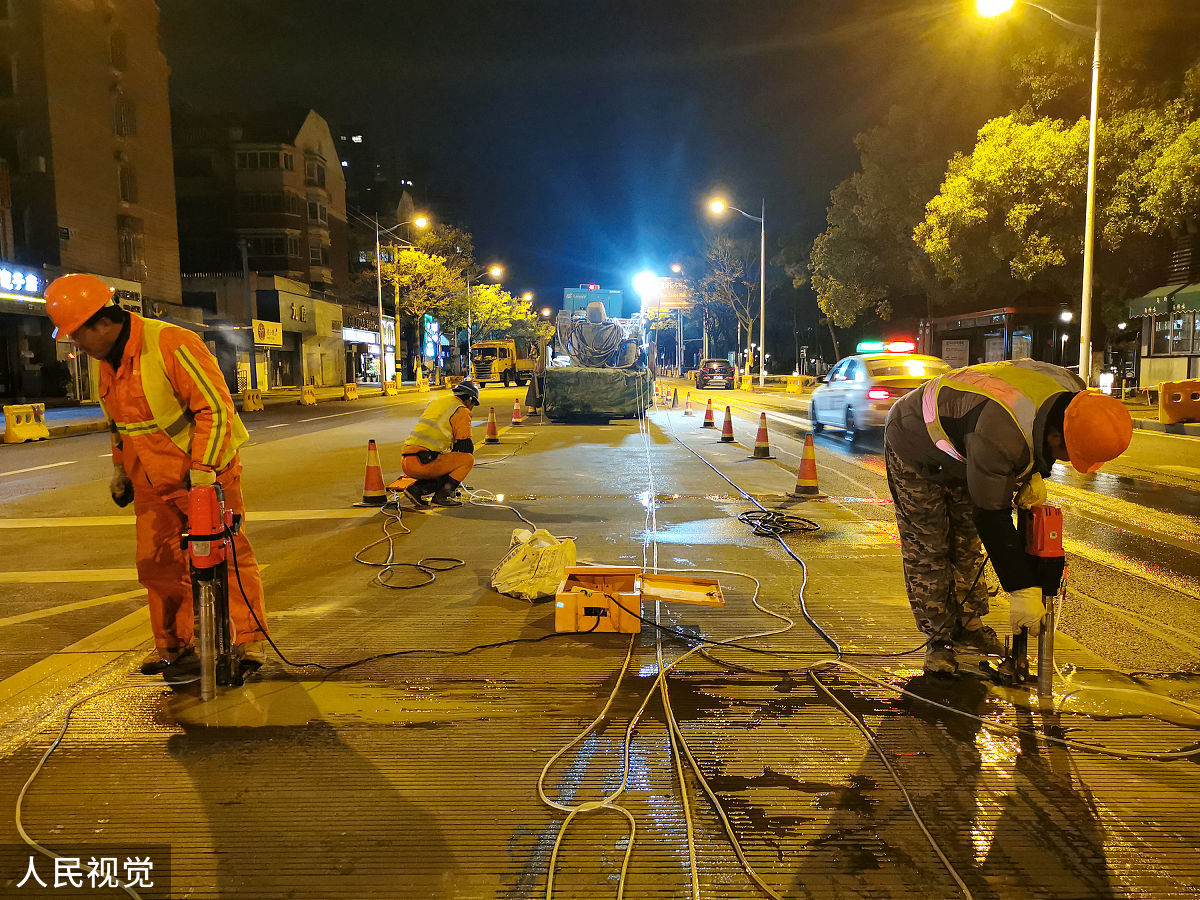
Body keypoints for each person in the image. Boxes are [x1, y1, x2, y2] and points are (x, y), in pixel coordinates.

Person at [44, 274, 270, 678]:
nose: (75, 346)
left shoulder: (170, 343)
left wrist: (203, 472)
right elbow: (121, 425)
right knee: (157, 563)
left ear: (102, 323)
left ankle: (249, 642)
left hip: (203, 474)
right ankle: (172, 645)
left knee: (228, 556)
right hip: (150, 480)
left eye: (77, 336)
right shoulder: (107, 363)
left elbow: (215, 410)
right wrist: (120, 470)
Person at [883, 358, 1132, 675]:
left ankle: (969, 625)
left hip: (965, 442)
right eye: (1071, 455)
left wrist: (1034, 472)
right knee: (929, 547)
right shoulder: (1002, 436)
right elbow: (992, 517)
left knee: (965, 541)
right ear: (1056, 437)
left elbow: (1033, 435)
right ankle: (939, 640)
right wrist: (1023, 589)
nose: (1068, 462)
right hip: (914, 440)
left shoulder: (1075, 392)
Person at [400, 380, 480, 508]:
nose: (472, 407)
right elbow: (466, 447)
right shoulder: (461, 410)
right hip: (424, 462)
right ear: (469, 399)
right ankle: (441, 496)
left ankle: (416, 490)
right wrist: (454, 480)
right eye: (473, 403)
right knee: (467, 460)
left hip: (407, 460)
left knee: (447, 460)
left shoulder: (437, 403)